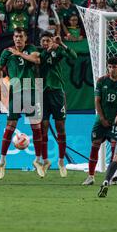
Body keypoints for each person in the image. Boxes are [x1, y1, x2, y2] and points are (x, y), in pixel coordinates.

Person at [0, 27, 43, 179]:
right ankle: (2, 162)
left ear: (25, 38)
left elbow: (37, 60)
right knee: (10, 128)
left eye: (21, 37)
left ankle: (37, 161)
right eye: (16, 36)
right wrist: (0, 84)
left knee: (36, 128)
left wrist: (20, 54)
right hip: (15, 92)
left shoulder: (31, 49)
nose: (18, 39)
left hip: (31, 91)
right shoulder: (6, 52)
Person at [82, 56, 117, 185]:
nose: (112, 69)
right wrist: (102, 118)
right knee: (94, 146)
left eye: (115, 67)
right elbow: (97, 101)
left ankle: (112, 177)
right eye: (110, 66)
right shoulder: (101, 81)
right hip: (101, 121)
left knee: (115, 150)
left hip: (116, 122)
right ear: (108, 67)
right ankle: (91, 176)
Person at [39, 33, 77, 177]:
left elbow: (73, 56)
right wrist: (49, 50)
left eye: (48, 40)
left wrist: (62, 44)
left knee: (60, 126)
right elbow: (40, 60)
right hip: (42, 93)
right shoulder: (38, 54)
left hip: (57, 92)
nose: (46, 43)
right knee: (43, 127)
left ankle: (61, 162)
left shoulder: (58, 51)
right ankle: (45, 160)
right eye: (43, 41)